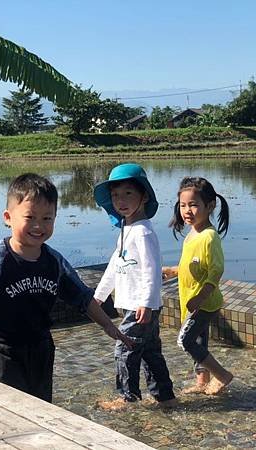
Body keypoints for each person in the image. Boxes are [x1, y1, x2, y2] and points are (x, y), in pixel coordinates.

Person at [0, 173, 132, 403]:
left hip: (41, 345)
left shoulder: (54, 262)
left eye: (47, 218)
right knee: (9, 405)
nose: (39, 226)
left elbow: (82, 296)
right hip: (3, 348)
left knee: (41, 404)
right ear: (8, 217)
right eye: (30, 217)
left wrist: (109, 325)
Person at [93, 163, 177, 410]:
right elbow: (113, 266)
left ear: (144, 196)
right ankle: (165, 397)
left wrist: (146, 303)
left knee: (124, 350)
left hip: (140, 306)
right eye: (116, 195)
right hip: (136, 305)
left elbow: (152, 270)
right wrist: (98, 297)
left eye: (128, 193)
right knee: (150, 353)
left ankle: (127, 398)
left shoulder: (143, 232)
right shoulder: (125, 229)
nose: (121, 200)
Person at [162, 176, 234, 395]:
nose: (187, 211)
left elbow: (216, 270)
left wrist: (200, 298)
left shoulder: (210, 237)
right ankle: (203, 382)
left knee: (185, 341)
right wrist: (172, 271)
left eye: (193, 205)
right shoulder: (193, 233)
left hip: (203, 302)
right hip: (191, 299)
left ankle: (222, 375)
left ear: (210, 205)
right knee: (199, 340)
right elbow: (191, 264)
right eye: (183, 205)